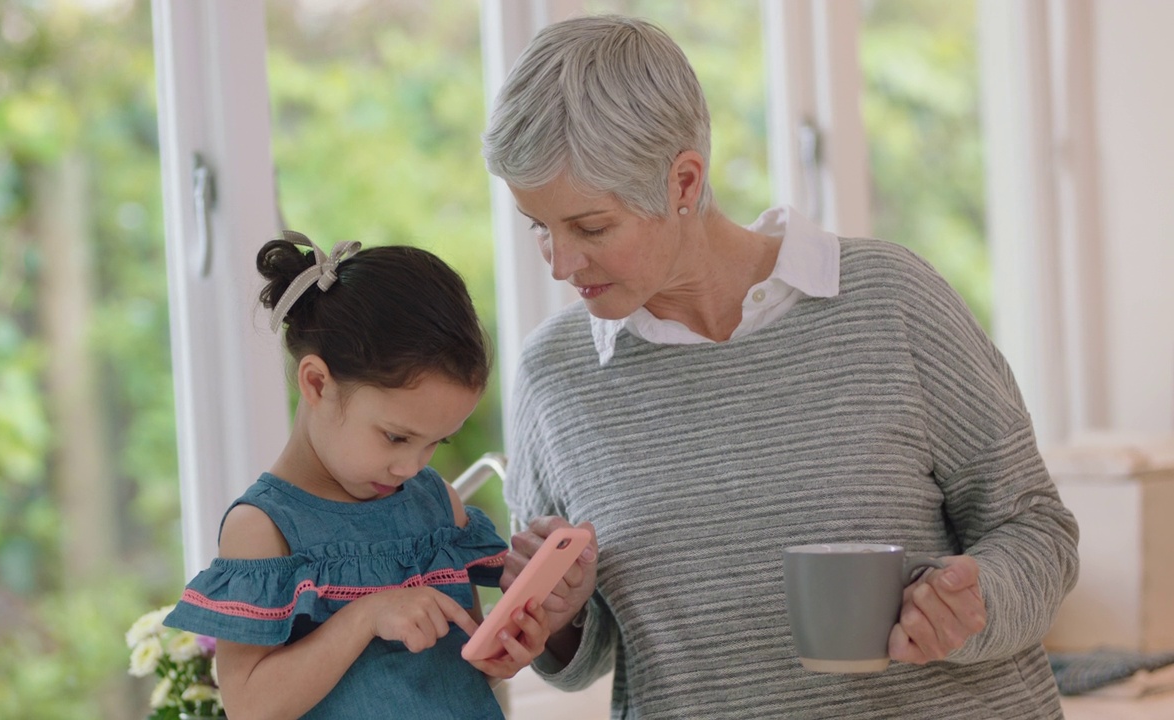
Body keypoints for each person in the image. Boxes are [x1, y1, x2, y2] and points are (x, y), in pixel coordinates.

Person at [482, 14, 1080, 719]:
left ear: (683, 181)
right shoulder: (558, 376)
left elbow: (1036, 529)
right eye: (538, 228)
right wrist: (559, 617)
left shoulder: (890, 301)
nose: (560, 264)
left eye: (590, 227)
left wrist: (977, 601)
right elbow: (590, 652)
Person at [164, 233, 551, 719]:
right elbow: (250, 706)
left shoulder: (436, 503)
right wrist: (366, 616)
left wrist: (499, 655)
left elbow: (450, 677)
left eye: (436, 442)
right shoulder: (264, 529)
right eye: (395, 437)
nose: (412, 467)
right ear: (317, 383)